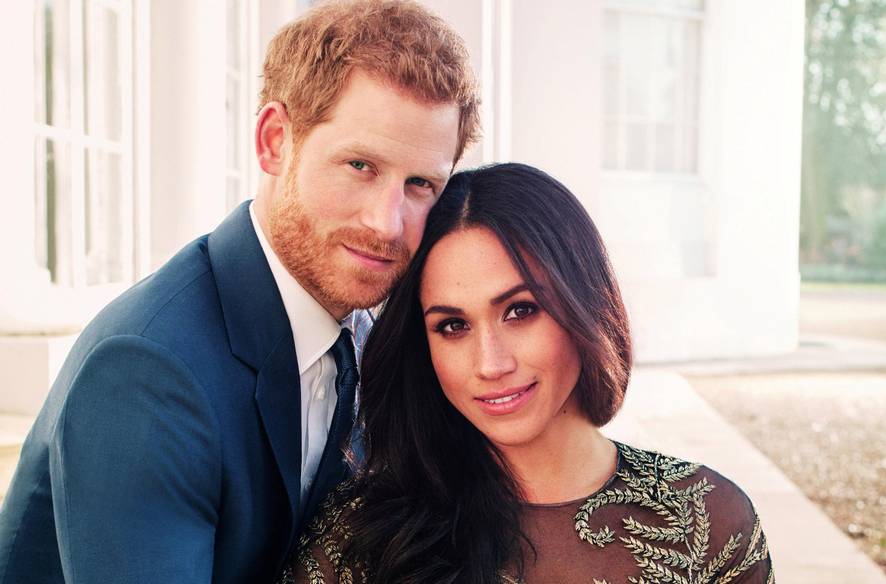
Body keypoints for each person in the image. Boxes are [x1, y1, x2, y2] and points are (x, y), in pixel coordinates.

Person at [0, 1, 479, 582]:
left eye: (420, 183)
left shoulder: (367, 329)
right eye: (360, 165)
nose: (387, 222)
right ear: (276, 140)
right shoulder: (145, 372)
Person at [279, 163, 774, 584]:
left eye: (520, 311)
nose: (491, 363)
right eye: (452, 326)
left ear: (584, 302)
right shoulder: (358, 539)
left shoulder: (709, 527)